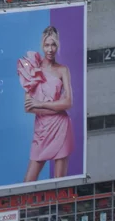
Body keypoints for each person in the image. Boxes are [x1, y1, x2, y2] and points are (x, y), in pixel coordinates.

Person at [18, 25, 74, 182]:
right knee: (29, 181)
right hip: (41, 129)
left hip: (61, 128)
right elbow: (28, 107)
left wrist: (40, 104)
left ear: (58, 45)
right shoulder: (32, 70)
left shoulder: (63, 70)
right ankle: (29, 207)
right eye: (47, 45)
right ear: (42, 45)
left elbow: (69, 102)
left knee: (59, 182)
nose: (50, 49)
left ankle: (59, 207)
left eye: (53, 44)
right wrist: (57, 105)